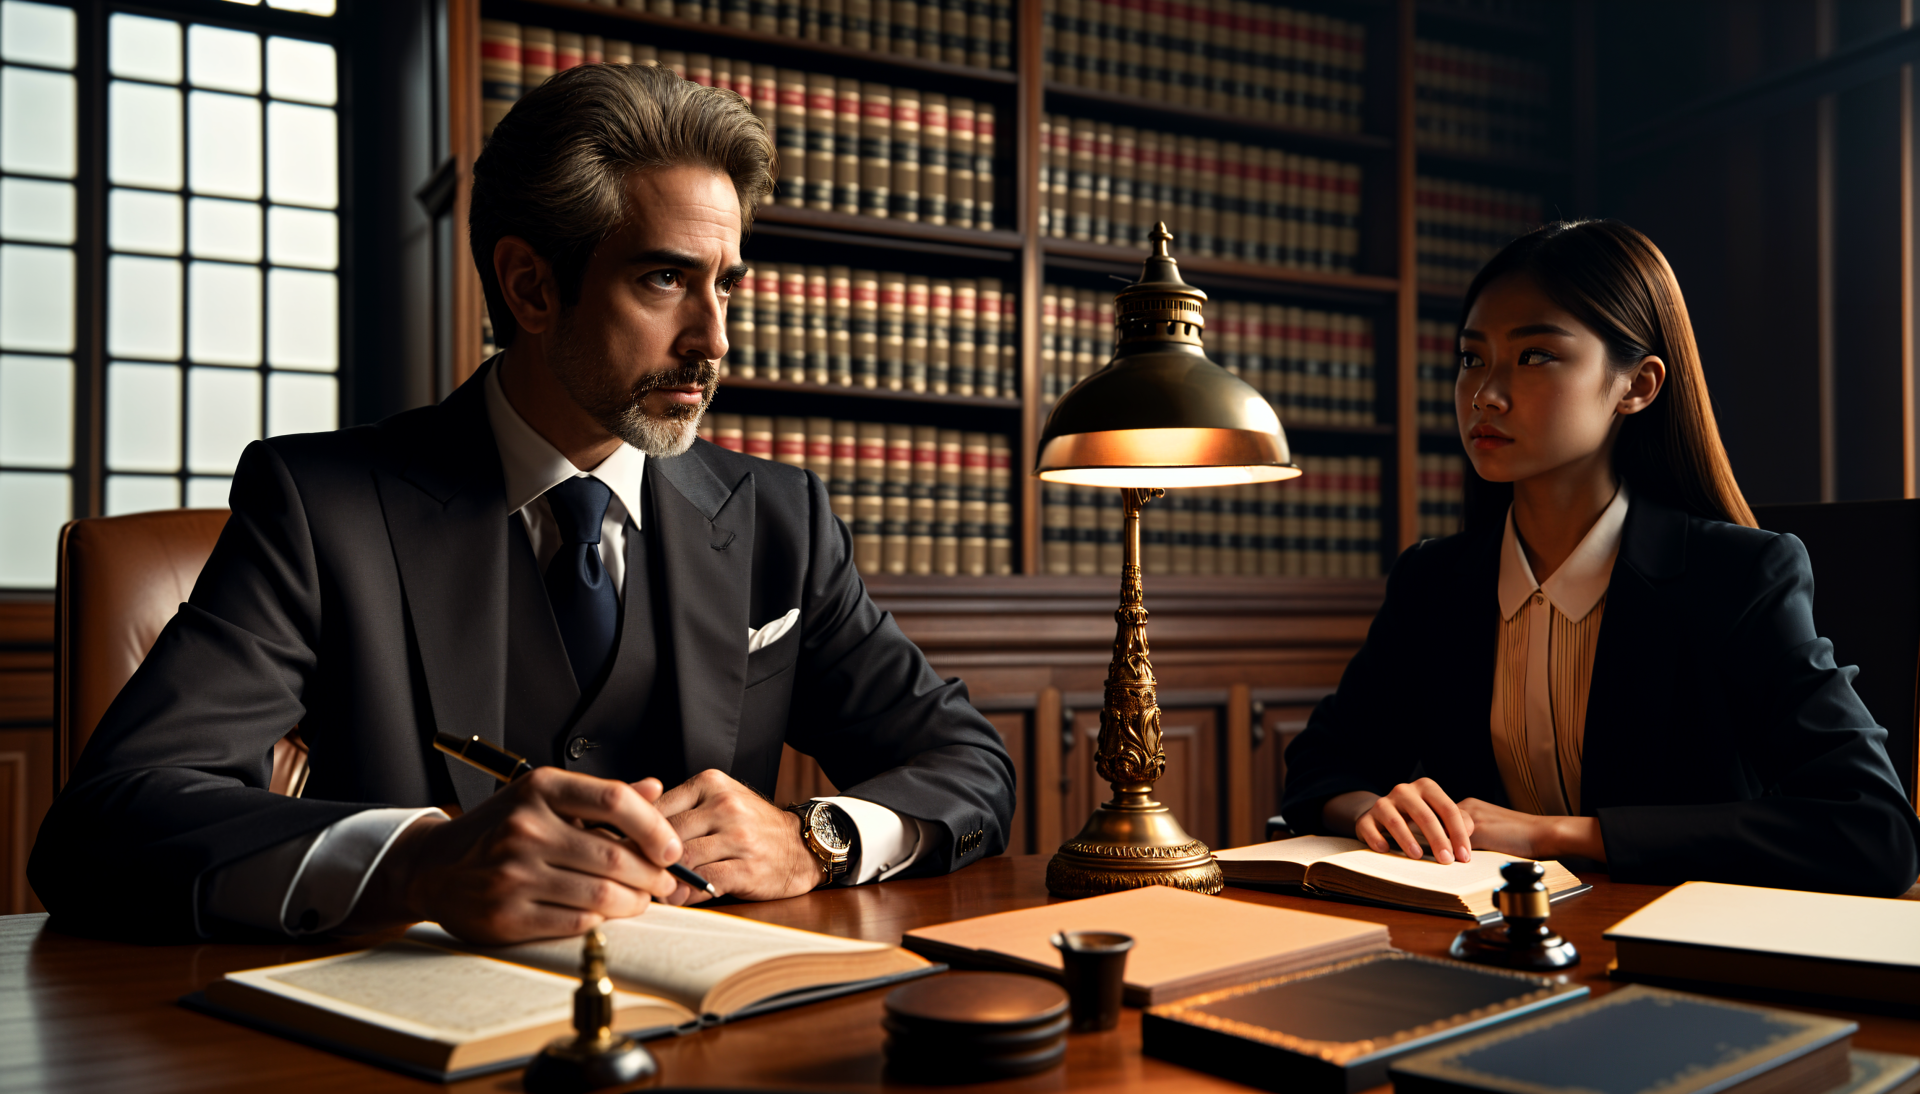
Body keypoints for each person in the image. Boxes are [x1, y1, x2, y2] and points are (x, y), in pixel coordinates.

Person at [29, 63, 1015, 944]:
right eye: (665, 279)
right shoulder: (320, 508)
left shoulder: (779, 518)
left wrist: (821, 836)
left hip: (718, 1030)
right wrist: (419, 861)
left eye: (725, 286)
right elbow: (105, 822)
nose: (714, 339)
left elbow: (968, 760)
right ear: (531, 287)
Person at [1280, 219, 1919, 897]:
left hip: (1673, 939)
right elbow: (1321, 766)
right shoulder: (1434, 581)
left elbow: (1875, 830)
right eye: (1471, 358)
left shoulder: (1738, 578)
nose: (1485, 394)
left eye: (1534, 356)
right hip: (1488, 937)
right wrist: (1376, 809)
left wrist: (1556, 834)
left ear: (1637, 385)